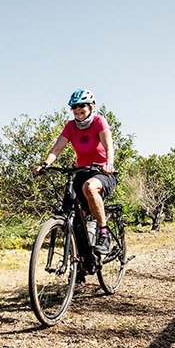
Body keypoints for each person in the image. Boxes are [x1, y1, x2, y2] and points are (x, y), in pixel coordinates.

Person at [34, 89, 117, 255]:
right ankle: (81, 262)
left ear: (91, 107)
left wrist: (109, 163)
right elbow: (57, 148)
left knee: (90, 187)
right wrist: (45, 164)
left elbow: (108, 145)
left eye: (82, 107)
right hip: (81, 172)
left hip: (102, 172)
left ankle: (103, 232)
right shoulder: (71, 126)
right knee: (73, 214)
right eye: (74, 108)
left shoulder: (99, 121)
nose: (78, 111)